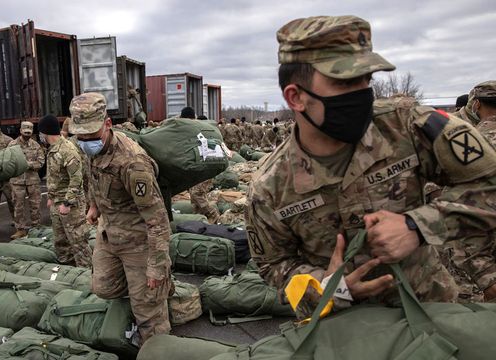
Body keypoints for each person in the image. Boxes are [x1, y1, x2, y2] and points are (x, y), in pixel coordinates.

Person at [247, 15, 496, 308]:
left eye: (367, 79)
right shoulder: (269, 188)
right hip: (345, 330)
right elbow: (274, 266)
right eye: (346, 82)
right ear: (296, 97)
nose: (363, 93)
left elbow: (489, 180)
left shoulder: (408, 126)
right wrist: (329, 288)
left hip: (430, 308)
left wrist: (418, 226)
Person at [68, 92, 172, 345]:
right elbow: (96, 179)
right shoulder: (92, 148)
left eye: (91, 135)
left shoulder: (132, 164)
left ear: (107, 125)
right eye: (80, 136)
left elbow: (158, 219)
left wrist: (156, 266)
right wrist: (94, 206)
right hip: (109, 233)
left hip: (139, 242)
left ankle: (155, 342)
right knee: (103, 287)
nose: (85, 141)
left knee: (148, 313)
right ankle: (152, 292)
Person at [40, 114, 93, 267]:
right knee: (60, 242)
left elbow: (77, 179)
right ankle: (68, 272)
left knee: (78, 242)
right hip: (57, 203)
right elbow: (54, 177)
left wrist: (67, 203)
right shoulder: (52, 150)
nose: (40, 137)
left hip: (70, 206)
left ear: (46, 133)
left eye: (41, 133)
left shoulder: (68, 150)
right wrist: (51, 197)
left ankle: (86, 275)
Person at [180, 106, 222, 224]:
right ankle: (200, 222)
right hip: (199, 167)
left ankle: (215, 217)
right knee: (195, 199)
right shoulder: (191, 129)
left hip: (207, 166)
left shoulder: (198, 129)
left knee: (196, 193)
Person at [9, 121, 45, 239]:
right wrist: (19, 165)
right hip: (17, 181)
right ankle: (20, 229)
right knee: (18, 206)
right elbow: (8, 162)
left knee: (35, 205)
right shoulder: (12, 145)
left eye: (29, 133)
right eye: (25, 132)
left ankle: (36, 228)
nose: (27, 135)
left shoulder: (36, 145)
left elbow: (40, 162)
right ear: (20, 131)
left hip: (32, 180)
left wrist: (27, 164)